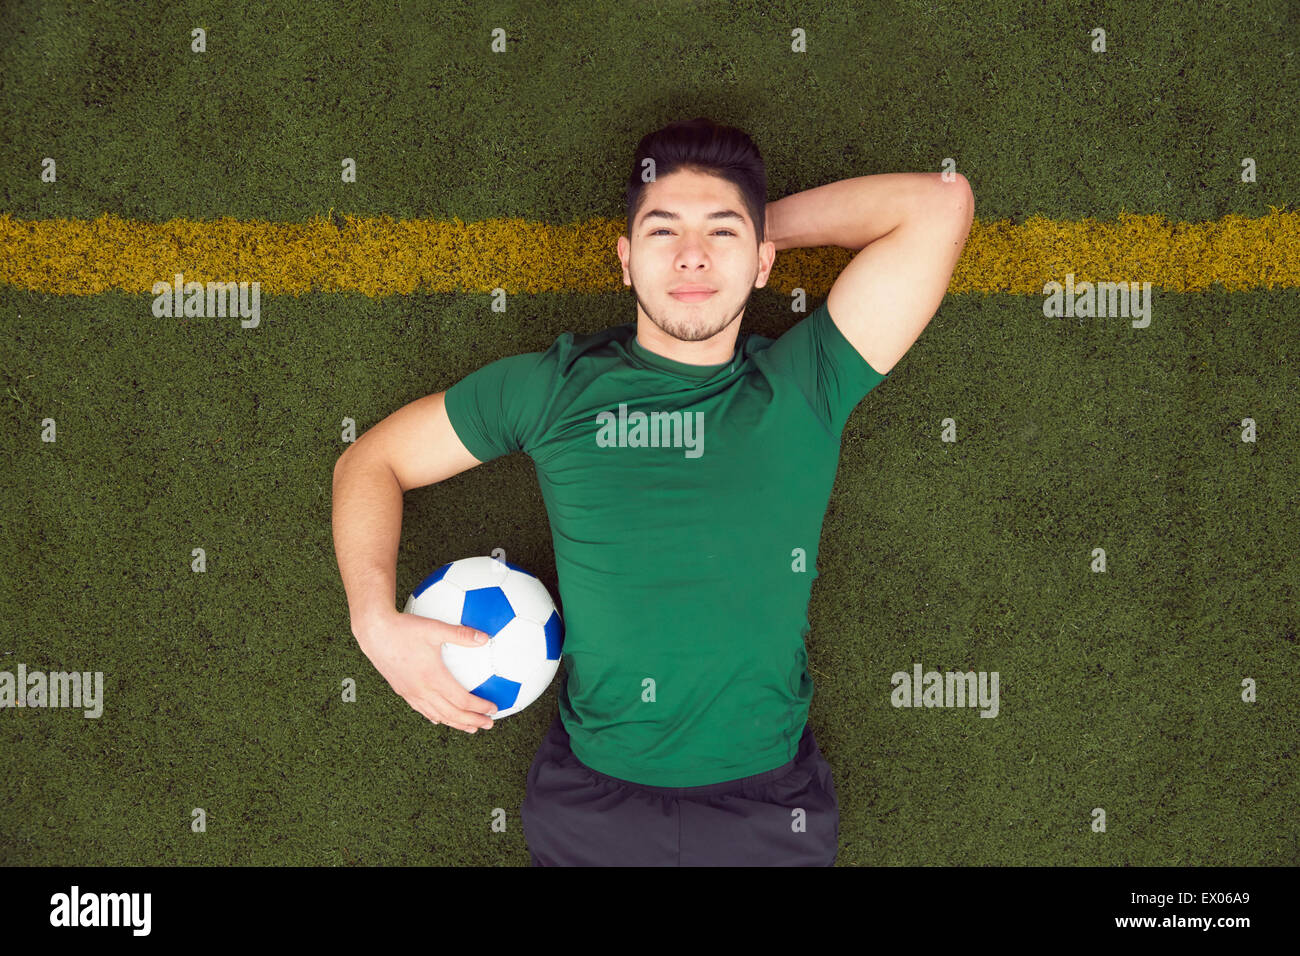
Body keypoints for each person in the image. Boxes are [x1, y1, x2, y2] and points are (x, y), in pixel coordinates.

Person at [332, 117, 974, 865]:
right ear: (627, 258)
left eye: (723, 235)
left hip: (768, 809)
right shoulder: (552, 390)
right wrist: (372, 622)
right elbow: (370, 462)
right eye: (663, 232)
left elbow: (940, 204)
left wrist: (756, 224)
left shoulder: (807, 383)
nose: (693, 256)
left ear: (766, 259)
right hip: (591, 805)